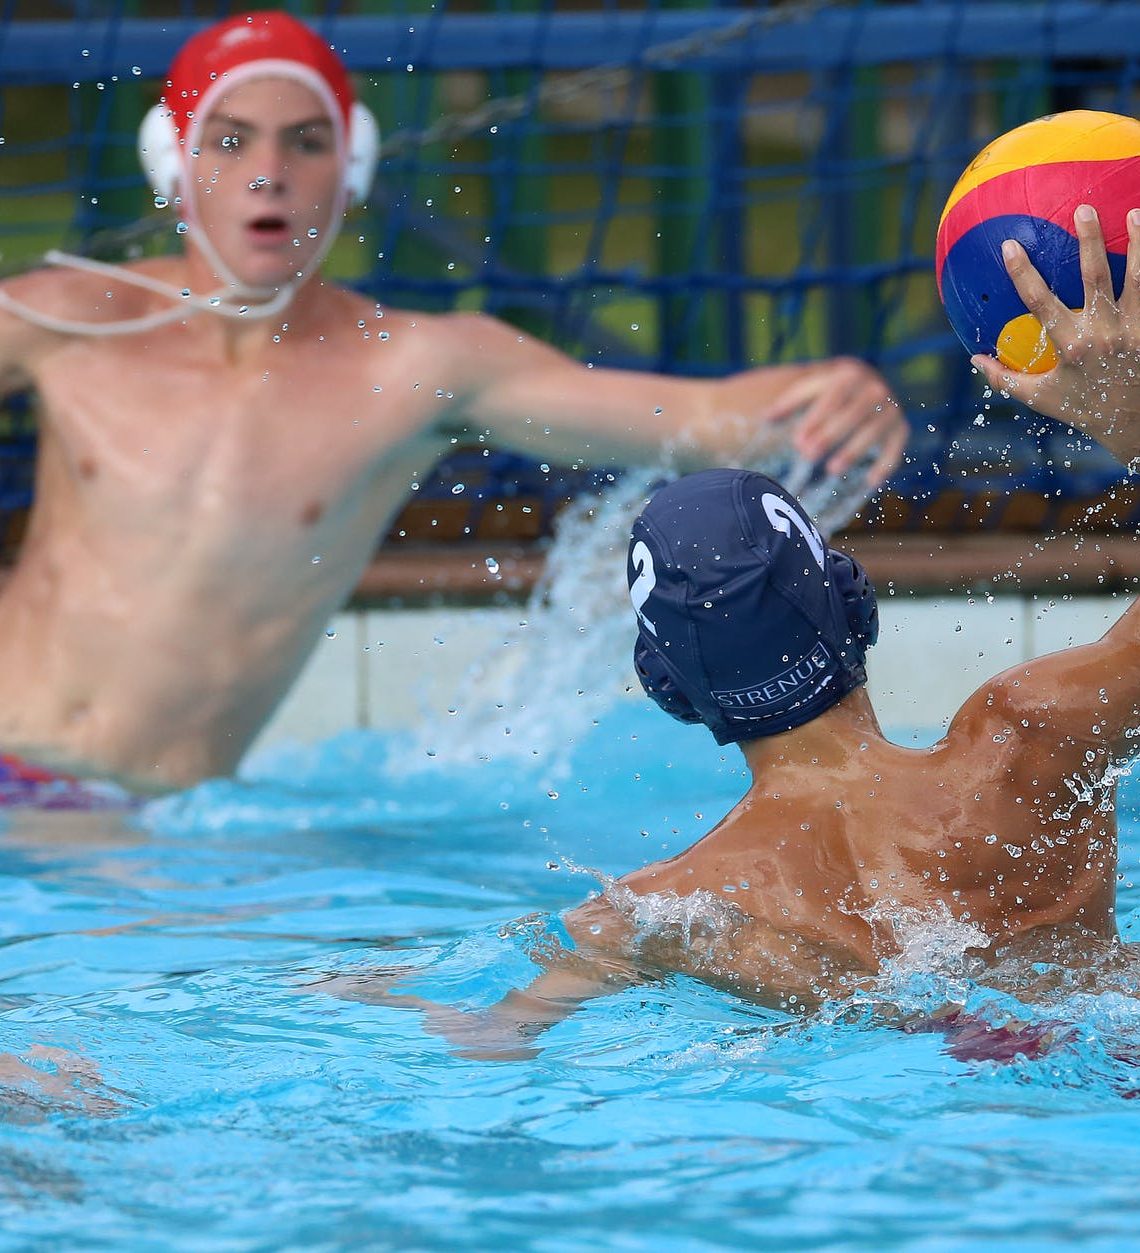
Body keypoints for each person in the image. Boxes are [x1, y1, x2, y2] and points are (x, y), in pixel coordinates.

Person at [0, 10, 905, 799]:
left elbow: (700, 417)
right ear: (175, 159)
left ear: (349, 167)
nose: (268, 172)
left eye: (305, 142)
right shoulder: (64, 319)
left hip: (149, 829)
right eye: (231, 140)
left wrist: (832, 397)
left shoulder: (414, 368)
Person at [331, 202, 1140, 1056]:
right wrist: (1130, 422)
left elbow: (486, 1036)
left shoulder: (667, 911)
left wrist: (356, 988)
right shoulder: (1033, 738)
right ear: (854, 603)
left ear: (670, 688)